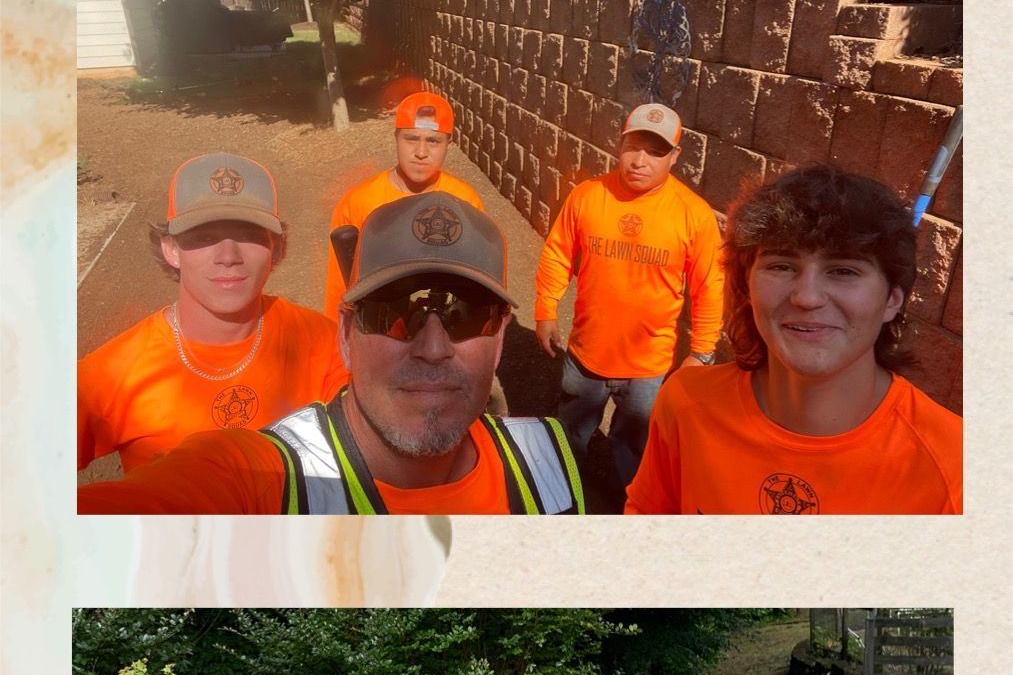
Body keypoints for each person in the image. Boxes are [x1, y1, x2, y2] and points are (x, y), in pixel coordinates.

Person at [78, 193, 584, 516]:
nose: (433, 349)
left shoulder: (553, 461)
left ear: (499, 340)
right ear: (345, 334)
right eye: (393, 312)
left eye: (466, 315)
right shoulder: (268, 478)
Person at [625, 163, 962, 514]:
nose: (807, 297)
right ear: (746, 286)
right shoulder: (685, 404)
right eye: (781, 266)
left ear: (892, 299)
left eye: (843, 270)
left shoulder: (954, 469)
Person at [78, 154, 346, 474]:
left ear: (276, 248)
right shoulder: (112, 375)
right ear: (171, 249)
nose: (228, 256)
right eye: (204, 237)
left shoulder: (324, 344)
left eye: (249, 235)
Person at [534, 102, 724, 492]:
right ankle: (562, 493)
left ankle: (631, 504)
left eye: (655, 152)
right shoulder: (588, 196)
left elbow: (710, 286)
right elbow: (558, 252)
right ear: (619, 145)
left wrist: (702, 352)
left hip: (648, 366)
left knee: (636, 447)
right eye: (632, 147)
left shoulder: (694, 214)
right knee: (569, 433)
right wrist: (545, 308)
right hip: (587, 354)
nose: (639, 161)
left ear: (674, 156)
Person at [323, 89, 483, 319]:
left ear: (449, 143)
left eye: (433, 141)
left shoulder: (465, 201)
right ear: (396, 138)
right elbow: (339, 286)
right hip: (377, 325)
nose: (421, 152)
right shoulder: (358, 202)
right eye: (411, 139)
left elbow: (479, 284)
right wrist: (337, 334)